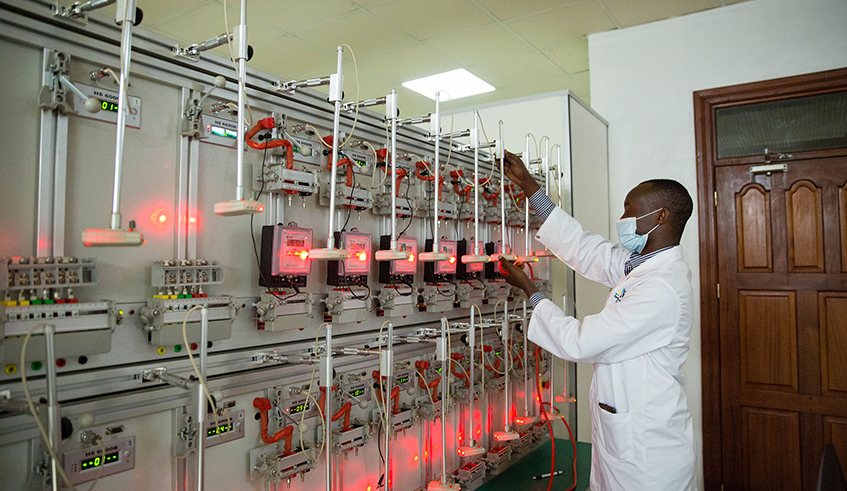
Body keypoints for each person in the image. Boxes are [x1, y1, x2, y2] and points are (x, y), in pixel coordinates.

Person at [497, 150, 697, 491]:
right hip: (624, 436)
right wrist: (530, 186)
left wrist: (531, 290)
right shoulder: (640, 265)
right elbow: (585, 249)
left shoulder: (661, 288)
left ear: (661, 216)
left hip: (647, 456)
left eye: (630, 212)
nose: (622, 219)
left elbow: (581, 342)